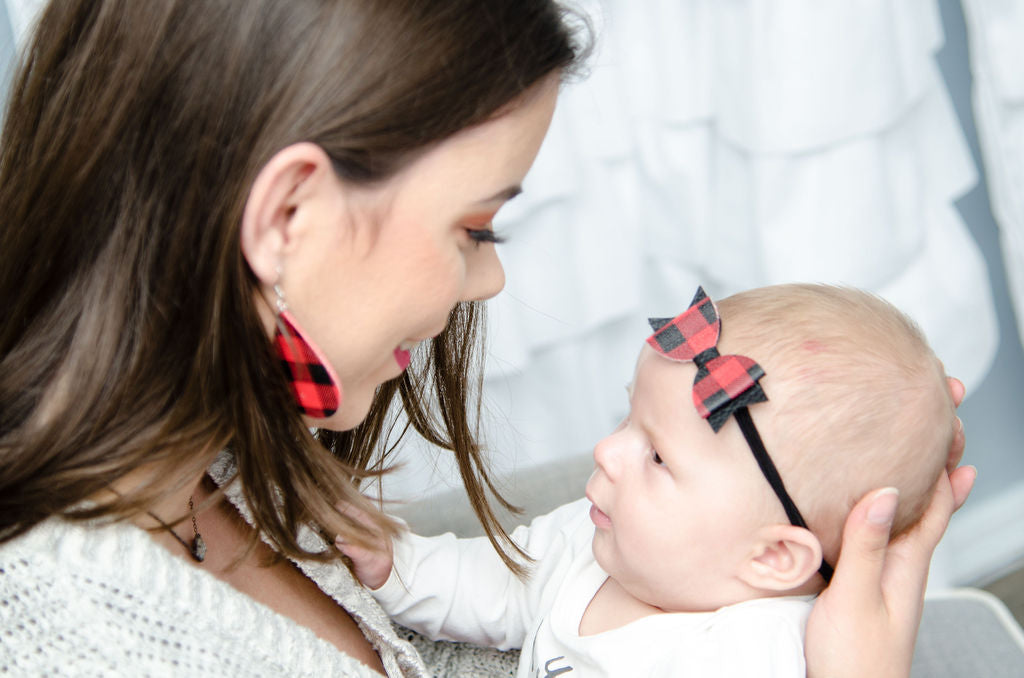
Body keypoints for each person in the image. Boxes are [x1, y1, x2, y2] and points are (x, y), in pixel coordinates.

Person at [0, 1, 973, 677]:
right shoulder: (82, 635)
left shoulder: (218, 461)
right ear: (286, 215)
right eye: (475, 229)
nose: (489, 279)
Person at [340, 284, 959, 677]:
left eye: (658, 456)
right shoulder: (592, 542)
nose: (607, 450)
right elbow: (494, 585)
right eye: (626, 419)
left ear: (772, 554)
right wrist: (393, 562)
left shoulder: (757, 653)